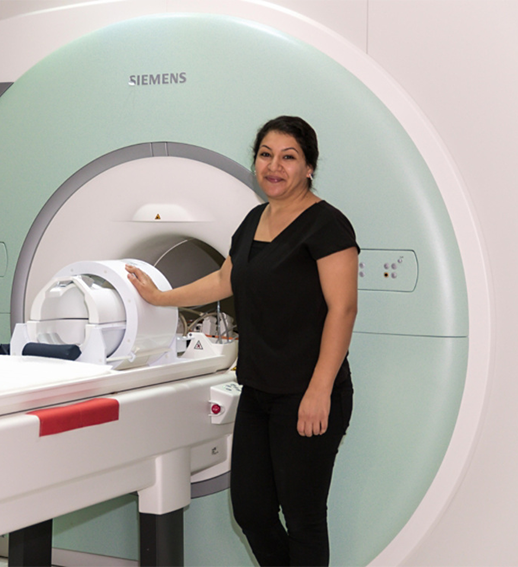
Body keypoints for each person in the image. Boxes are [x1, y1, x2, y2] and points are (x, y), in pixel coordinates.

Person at [125, 116, 358, 566]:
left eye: (288, 157)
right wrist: (161, 297)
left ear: (309, 167)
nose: (275, 166)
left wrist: (320, 390)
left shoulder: (327, 225)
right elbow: (224, 279)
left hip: (307, 391)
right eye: (266, 154)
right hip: (257, 390)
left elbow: (342, 309)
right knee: (251, 511)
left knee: (304, 517)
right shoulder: (255, 219)